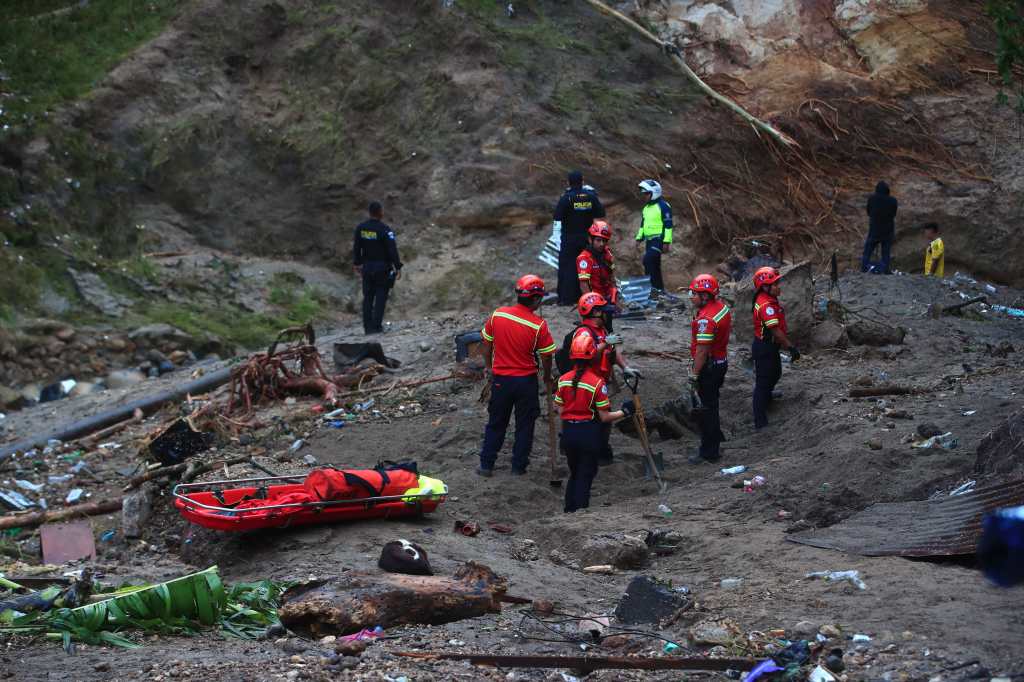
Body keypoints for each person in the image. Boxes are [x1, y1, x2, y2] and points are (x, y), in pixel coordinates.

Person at [477, 274, 557, 477]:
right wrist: (547, 376)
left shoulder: (498, 315)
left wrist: (489, 367)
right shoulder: (538, 325)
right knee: (525, 425)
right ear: (537, 299)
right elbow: (547, 356)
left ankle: (486, 465)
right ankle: (518, 467)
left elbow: (486, 344)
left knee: (496, 422)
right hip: (526, 382)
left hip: (501, 381)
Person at [554, 332, 634, 512]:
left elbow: (558, 409)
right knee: (585, 475)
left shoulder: (563, 380)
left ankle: (569, 510)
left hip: (568, 434)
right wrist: (625, 411)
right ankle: (581, 512)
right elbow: (605, 417)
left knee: (574, 474)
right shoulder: (596, 383)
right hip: (587, 433)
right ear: (592, 356)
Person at [573, 292, 640, 465]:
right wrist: (604, 344)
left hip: (599, 383)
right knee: (594, 421)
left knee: (602, 424)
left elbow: (612, 353)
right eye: (604, 311)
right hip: (587, 385)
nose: (607, 314)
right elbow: (587, 357)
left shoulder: (602, 330)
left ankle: (601, 454)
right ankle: (591, 455)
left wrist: (626, 368)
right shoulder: (583, 333)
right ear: (595, 312)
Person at [687, 274, 731, 464]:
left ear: (705, 295)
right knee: (712, 405)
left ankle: (709, 451)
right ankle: (714, 441)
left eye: (694, 293)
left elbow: (702, 351)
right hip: (720, 362)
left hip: (710, 367)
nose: (691, 296)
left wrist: (694, 375)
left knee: (707, 410)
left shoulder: (706, 319)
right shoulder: (721, 308)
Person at [750, 267, 800, 429]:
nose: (779, 286)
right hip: (765, 347)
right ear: (765, 287)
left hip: (769, 346)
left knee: (775, 373)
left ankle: (767, 397)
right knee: (763, 382)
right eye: (775, 283)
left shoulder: (768, 299)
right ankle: (760, 421)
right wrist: (791, 347)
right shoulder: (766, 305)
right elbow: (776, 331)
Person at [553, 170, 605, 305]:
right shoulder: (590, 196)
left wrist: (557, 237)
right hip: (587, 238)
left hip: (569, 238)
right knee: (586, 267)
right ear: (582, 181)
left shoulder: (566, 198)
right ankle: (587, 297)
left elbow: (557, 217)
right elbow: (600, 213)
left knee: (568, 267)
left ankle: (566, 299)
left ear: (568, 183)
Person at [353, 201, 403, 334]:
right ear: (380, 212)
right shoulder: (385, 229)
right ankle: (376, 326)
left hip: (367, 268)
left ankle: (367, 327)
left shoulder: (361, 228)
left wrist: (357, 263)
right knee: (381, 296)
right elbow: (392, 250)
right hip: (382, 268)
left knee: (368, 297)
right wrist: (397, 266)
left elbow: (357, 248)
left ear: (370, 213)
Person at [635, 179, 673, 296]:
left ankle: (654, 289)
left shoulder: (663, 206)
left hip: (659, 240)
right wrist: (638, 238)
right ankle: (658, 291)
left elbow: (668, 225)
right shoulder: (646, 208)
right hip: (649, 241)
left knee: (648, 260)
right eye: (644, 194)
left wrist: (666, 242)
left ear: (654, 192)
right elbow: (643, 224)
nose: (644, 196)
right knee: (654, 265)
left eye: (646, 194)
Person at [862, 181, 898, 274]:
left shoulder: (872, 199)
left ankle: (864, 267)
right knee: (885, 252)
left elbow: (868, 212)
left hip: (875, 229)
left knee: (868, 250)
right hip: (888, 230)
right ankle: (885, 269)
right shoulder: (893, 200)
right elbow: (894, 214)